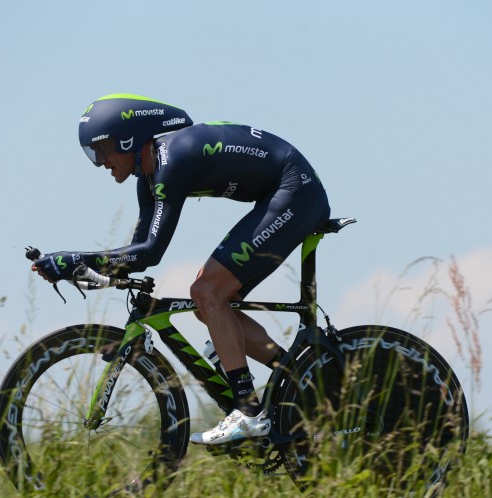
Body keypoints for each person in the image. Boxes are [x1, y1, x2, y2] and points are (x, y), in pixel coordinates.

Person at [32, 93, 331, 445]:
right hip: (282, 192)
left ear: (129, 139)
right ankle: (301, 380)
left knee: (207, 293)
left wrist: (75, 259)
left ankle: (249, 412)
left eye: (103, 149)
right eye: (93, 153)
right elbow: (136, 255)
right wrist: (91, 271)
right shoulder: (149, 178)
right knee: (210, 305)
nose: (100, 162)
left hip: (295, 190)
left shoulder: (171, 160)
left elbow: (150, 252)